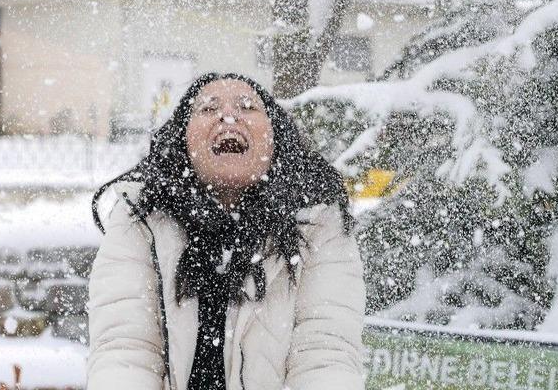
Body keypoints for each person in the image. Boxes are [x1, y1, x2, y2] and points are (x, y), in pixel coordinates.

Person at [87, 73, 365, 390]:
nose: (229, 117)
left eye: (248, 107)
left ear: (276, 136)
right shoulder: (139, 220)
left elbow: (325, 357)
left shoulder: (319, 226)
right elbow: (125, 353)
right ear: (183, 138)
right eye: (207, 109)